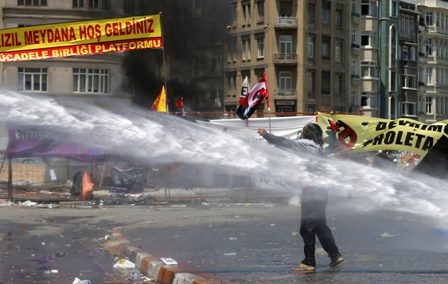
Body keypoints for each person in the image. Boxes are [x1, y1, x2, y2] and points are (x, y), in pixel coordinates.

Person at [258, 123, 344, 272]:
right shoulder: (319, 149)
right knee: (320, 226)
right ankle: (334, 255)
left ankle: (309, 262)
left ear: (307, 134)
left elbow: (284, 142)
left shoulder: (305, 146)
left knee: (307, 228)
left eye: (303, 131)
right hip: (321, 194)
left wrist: (266, 134)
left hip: (311, 194)